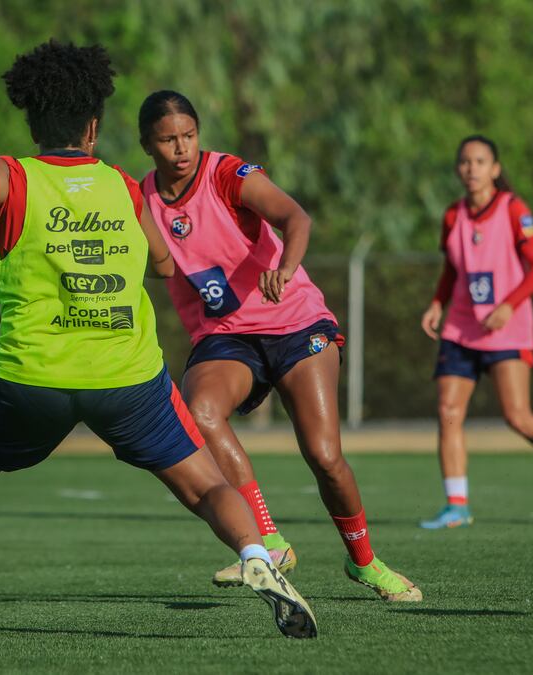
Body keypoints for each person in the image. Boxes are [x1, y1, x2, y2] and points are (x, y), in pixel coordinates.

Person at [0, 41, 316, 639]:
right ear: (94, 126)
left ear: (32, 124)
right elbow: (162, 263)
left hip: (33, 379)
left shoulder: (12, 174)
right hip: (127, 379)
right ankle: (256, 556)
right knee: (207, 485)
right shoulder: (123, 185)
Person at [136, 90, 421, 602]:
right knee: (199, 411)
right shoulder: (143, 200)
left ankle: (364, 563)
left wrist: (285, 268)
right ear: (146, 145)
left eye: (189, 135)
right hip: (227, 335)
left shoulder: (227, 174)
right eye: (168, 139)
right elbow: (156, 266)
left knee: (324, 456)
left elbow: (296, 218)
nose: (181, 148)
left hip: (294, 321)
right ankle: (269, 541)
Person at [418, 134, 533, 530]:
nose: (471, 168)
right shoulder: (452, 216)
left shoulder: (513, 209)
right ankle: (456, 505)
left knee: (518, 417)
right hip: (461, 327)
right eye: (465, 162)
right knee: (448, 412)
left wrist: (508, 306)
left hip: (507, 329)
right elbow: (451, 269)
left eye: (480, 161)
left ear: (495, 169)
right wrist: (437, 302)